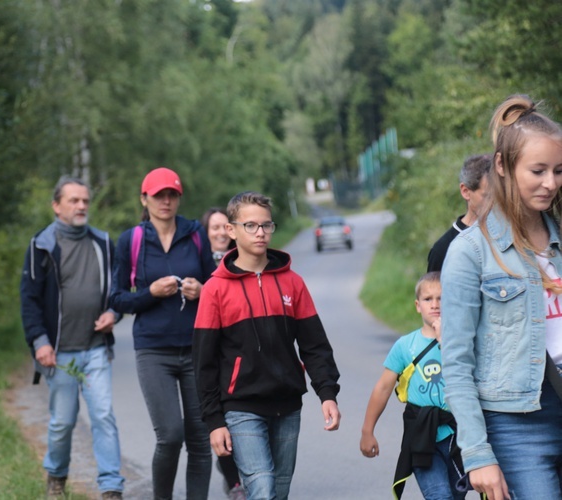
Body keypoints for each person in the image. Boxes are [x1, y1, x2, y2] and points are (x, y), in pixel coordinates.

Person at [441, 94, 562, 499]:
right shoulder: (470, 252)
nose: (551, 183)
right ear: (502, 166)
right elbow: (456, 361)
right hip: (516, 426)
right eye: (538, 170)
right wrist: (477, 454)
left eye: (559, 171)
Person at [193, 191, 341, 500]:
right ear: (232, 230)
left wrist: (327, 394)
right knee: (261, 487)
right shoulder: (214, 290)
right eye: (251, 225)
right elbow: (204, 363)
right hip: (241, 407)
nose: (261, 232)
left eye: (266, 225)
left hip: (288, 405)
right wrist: (214, 422)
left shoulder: (292, 282)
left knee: (279, 491)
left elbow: (314, 345)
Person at [110, 167, 215, 500]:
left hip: (197, 347)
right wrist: (149, 293)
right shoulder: (132, 240)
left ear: (179, 198)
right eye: (158, 195)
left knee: (200, 438)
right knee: (170, 435)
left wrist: (203, 290)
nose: (165, 201)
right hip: (154, 351)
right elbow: (116, 299)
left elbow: (218, 286)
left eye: (171, 194)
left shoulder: (196, 233)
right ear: (145, 199)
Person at [20, 177, 124, 500]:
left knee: (103, 415)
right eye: (74, 201)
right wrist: (40, 342)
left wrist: (115, 314)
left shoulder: (104, 242)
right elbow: (29, 299)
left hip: (95, 350)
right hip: (60, 355)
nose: (81, 206)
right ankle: (57, 477)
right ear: (57, 205)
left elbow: (118, 291)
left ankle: (110, 487)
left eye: (85, 201)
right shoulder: (42, 245)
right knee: (62, 423)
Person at [359, 272, 464, 499]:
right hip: (422, 435)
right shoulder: (405, 346)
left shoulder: (463, 340)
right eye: (428, 299)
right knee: (440, 496)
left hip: (459, 435)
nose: (435, 305)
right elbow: (383, 388)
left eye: (441, 298)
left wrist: (445, 339)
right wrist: (367, 431)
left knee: (456, 496)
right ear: (418, 305)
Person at [200, 207, 244, 500]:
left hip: (236, 354)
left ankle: (248, 477)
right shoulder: (196, 261)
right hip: (206, 351)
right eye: (212, 228)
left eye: (222, 227)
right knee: (219, 424)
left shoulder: (241, 261)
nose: (218, 232)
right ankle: (235, 483)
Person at [427, 154, 492, 272]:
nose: (496, 203)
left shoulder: (513, 236)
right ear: (465, 191)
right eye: (488, 196)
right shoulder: (443, 249)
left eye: (502, 196)